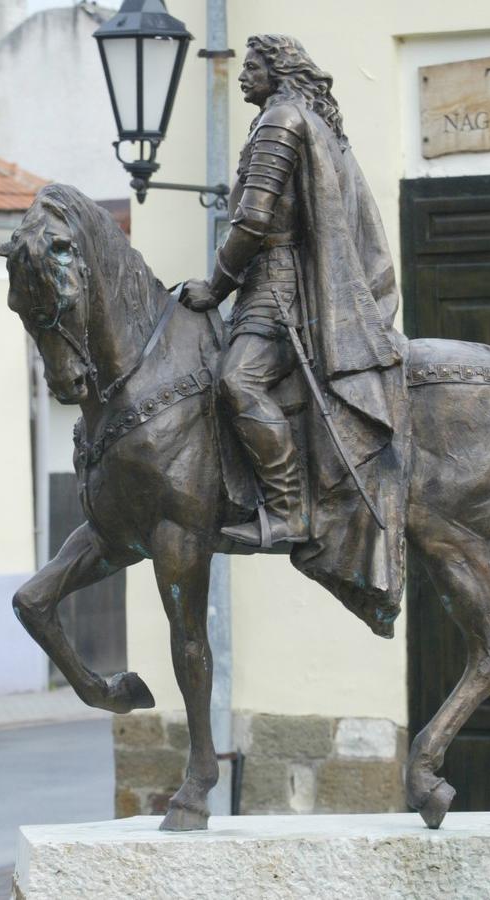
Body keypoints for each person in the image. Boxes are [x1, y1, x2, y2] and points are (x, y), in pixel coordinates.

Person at [180, 34, 406, 552]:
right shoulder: (310, 121)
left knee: (237, 380)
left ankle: (287, 510)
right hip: (280, 279)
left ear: (278, 71)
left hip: (278, 287)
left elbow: (253, 219)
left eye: (253, 66)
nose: (242, 75)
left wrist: (215, 287)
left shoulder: (280, 121)